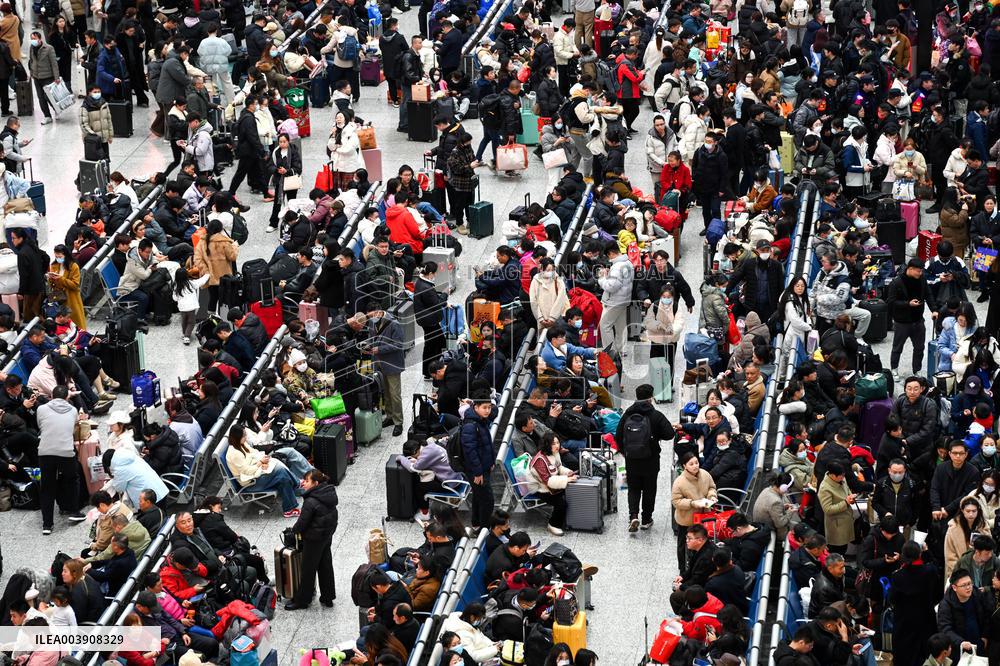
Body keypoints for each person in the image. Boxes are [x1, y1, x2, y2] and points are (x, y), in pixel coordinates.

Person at [285, 469, 338, 611]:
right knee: (325, 565)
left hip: (314, 538)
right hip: (326, 535)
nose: (303, 483)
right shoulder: (329, 492)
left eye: (307, 481)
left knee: (308, 569)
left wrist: (294, 530)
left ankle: (302, 600)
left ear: (315, 483)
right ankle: (328, 597)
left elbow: (302, 523)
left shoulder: (311, 501)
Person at [37, 385, 86, 534]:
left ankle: (47, 525)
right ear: (67, 397)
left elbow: (41, 426)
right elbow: (71, 429)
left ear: (51, 396)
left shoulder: (41, 409)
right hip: (65, 451)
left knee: (47, 487)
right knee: (72, 479)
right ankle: (75, 511)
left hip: (45, 451)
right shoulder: (73, 410)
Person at [224, 423, 300, 517]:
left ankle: (290, 507)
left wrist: (262, 462)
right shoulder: (234, 453)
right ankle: (296, 486)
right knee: (281, 473)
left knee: (282, 476)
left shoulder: (242, 444)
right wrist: (260, 463)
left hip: (254, 473)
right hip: (250, 483)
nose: (246, 436)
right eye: (244, 435)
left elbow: (254, 453)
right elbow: (247, 471)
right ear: (237, 437)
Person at [670, 452, 719, 568]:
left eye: (696, 463)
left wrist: (712, 496)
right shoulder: (679, 482)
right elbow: (676, 501)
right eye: (691, 464)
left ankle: (698, 566)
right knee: (683, 544)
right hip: (687, 520)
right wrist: (692, 503)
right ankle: (682, 568)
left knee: (701, 543)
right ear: (684, 466)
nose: (695, 466)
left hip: (703, 517)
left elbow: (712, 487)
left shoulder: (705, 475)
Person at [528, 432, 577, 536]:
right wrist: (566, 480)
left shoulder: (553, 453)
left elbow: (558, 467)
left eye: (558, 442)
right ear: (547, 445)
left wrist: (567, 472)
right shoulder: (540, 461)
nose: (557, 446)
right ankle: (553, 524)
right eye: (553, 444)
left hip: (552, 484)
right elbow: (548, 481)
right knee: (561, 503)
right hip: (541, 489)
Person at [937, 568, 994, 659]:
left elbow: (987, 616)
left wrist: (985, 636)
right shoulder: (946, 605)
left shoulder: (977, 594)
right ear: (954, 587)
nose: (968, 587)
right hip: (959, 648)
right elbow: (945, 629)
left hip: (979, 643)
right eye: (964, 585)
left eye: (969, 583)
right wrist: (960, 642)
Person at [461, 399, 495, 530]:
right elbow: (470, 451)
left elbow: (486, 445)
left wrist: (490, 462)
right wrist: (478, 472)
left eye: (489, 407)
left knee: (478, 494)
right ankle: (484, 528)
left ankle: (476, 523)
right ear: (476, 407)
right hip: (476, 470)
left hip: (483, 466)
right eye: (484, 408)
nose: (488, 411)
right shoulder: (471, 425)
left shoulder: (480, 420)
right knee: (487, 499)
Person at [597, 242, 634, 353]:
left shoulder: (617, 266)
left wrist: (602, 278)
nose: (608, 259)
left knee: (605, 325)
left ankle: (610, 352)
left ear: (611, 253)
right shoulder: (628, 263)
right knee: (621, 326)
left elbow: (611, 286)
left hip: (614, 301)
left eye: (608, 256)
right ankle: (622, 350)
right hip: (624, 299)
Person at [752, 471, 795, 541]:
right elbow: (780, 524)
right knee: (789, 526)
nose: (787, 491)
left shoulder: (767, 490)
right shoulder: (775, 501)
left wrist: (783, 507)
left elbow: (769, 509)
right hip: (767, 530)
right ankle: (782, 543)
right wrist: (790, 512)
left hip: (760, 524)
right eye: (788, 488)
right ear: (783, 487)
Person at [28, 32, 60, 125]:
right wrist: (31, 73)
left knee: (49, 97)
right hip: (37, 77)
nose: (33, 40)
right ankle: (47, 116)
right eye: (31, 38)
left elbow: (54, 64)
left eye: (34, 38)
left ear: (40, 38)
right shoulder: (31, 47)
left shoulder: (49, 48)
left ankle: (56, 110)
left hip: (47, 77)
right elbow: (31, 60)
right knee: (41, 98)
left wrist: (56, 77)